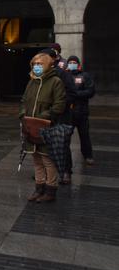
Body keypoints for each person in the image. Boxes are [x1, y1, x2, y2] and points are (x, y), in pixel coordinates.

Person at [21, 52, 66, 203]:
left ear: (47, 65)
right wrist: (23, 115)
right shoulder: (31, 82)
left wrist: (43, 117)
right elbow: (24, 100)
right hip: (30, 126)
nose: (37, 67)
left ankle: (50, 190)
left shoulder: (55, 81)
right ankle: (38, 188)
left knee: (47, 159)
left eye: (40, 64)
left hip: (46, 126)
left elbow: (59, 105)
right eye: (34, 64)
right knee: (36, 159)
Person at [42, 47, 77, 184]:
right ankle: (48, 172)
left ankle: (67, 171)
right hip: (45, 115)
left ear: (54, 59)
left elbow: (72, 94)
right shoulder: (41, 74)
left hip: (61, 115)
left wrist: (57, 105)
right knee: (45, 145)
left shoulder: (63, 74)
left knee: (63, 144)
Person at [67, 56, 95, 165]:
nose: (72, 64)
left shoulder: (85, 76)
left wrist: (76, 94)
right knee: (66, 136)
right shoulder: (65, 76)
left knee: (84, 136)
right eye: (70, 62)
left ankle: (88, 155)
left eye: (74, 62)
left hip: (82, 112)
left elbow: (90, 91)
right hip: (69, 113)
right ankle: (65, 156)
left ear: (78, 64)